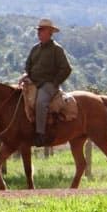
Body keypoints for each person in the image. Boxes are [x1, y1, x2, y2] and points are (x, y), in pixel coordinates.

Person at [23, 18, 72, 147]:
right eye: (38, 30)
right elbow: (28, 65)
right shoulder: (35, 49)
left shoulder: (57, 49)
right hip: (32, 81)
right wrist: (27, 76)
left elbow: (66, 68)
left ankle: (40, 134)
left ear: (50, 32)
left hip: (48, 84)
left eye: (42, 30)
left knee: (41, 102)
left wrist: (55, 83)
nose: (39, 33)